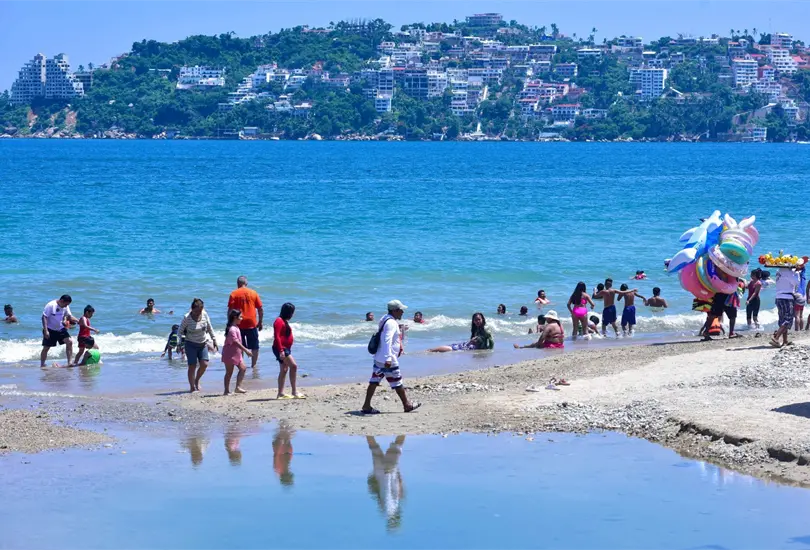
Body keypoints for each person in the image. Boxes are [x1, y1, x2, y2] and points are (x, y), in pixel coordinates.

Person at [361, 300, 420, 415]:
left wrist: (399, 345)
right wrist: (388, 358)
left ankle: (366, 405)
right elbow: (387, 340)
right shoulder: (391, 323)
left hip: (379, 357)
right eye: (401, 310)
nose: (402, 312)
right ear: (395, 310)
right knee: (397, 382)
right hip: (388, 359)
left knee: (374, 381)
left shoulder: (385, 318)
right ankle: (407, 405)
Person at [178, 298, 218, 393]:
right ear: (192, 309)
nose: (198, 313)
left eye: (200, 311)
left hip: (202, 343)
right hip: (190, 344)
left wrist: (214, 339)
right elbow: (179, 331)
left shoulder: (204, 315)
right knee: (192, 366)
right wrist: (179, 343)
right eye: (196, 311)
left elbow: (209, 327)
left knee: (204, 364)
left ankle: (196, 380)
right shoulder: (187, 317)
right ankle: (192, 387)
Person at [367, 435, 406, 531]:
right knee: (375, 448)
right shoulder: (391, 508)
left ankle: (405, 424)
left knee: (397, 447)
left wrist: (389, 475)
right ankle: (366, 430)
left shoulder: (390, 508)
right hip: (383, 473)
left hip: (387, 472)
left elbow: (387, 492)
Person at [227, 276, 264, 370]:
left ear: (237, 284)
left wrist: (229, 324)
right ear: (246, 283)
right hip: (252, 323)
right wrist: (260, 322)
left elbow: (230, 311)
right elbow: (260, 309)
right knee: (255, 346)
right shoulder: (253, 292)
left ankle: (241, 364)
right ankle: (254, 365)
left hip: (239, 323)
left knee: (240, 345)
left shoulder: (234, 294)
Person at [273, 302, 303, 399]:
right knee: (293, 366)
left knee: (284, 370)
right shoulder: (279, 321)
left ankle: (280, 393)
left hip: (285, 348)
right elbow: (277, 337)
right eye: (292, 312)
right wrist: (281, 350)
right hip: (281, 348)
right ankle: (294, 391)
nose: (293, 314)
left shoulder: (284, 321)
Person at [40, 295, 79, 368]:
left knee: (69, 342)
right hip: (50, 329)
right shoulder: (51, 305)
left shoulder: (65, 306)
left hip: (60, 329)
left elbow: (70, 316)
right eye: (66, 304)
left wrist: (78, 321)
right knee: (46, 348)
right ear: (61, 301)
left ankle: (70, 362)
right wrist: (46, 330)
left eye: (67, 305)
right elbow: (44, 317)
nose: (66, 306)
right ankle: (42, 364)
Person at [428, 312, 494, 352]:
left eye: (479, 319)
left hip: (473, 347)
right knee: (453, 347)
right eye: (475, 320)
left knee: (452, 348)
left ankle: (432, 350)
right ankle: (432, 350)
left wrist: (489, 350)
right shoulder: (476, 328)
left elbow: (491, 341)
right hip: (471, 346)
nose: (477, 321)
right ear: (473, 321)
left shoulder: (486, 329)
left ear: (482, 319)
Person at [222, 309, 252, 395]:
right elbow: (235, 341)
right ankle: (226, 390)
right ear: (235, 317)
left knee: (243, 368)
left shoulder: (236, 327)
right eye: (240, 317)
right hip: (229, 354)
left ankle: (238, 387)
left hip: (237, 353)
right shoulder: (232, 329)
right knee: (229, 373)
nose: (242, 318)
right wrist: (246, 350)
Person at [772, 266, 800, 347]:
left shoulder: (779, 271)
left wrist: (794, 272)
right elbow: (796, 283)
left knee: (782, 320)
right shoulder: (789, 272)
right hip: (787, 298)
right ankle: (776, 338)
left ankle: (785, 341)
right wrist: (797, 273)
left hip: (778, 297)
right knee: (788, 319)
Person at [273, 422, 295, 486]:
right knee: (286, 438)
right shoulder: (278, 469)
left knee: (284, 437)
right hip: (284, 453)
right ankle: (285, 426)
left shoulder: (278, 469)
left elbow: (276, 456)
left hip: (282, 453)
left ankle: (283, 426)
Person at [794, 265, 807, 331]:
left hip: (798, 295)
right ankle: (802, 329)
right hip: (804, 296)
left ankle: (797, 330)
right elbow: (803, 268)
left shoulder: (796, 275)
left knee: (796, 315)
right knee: (801, 315)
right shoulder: (803, 275)